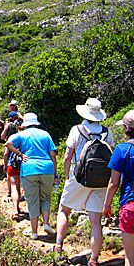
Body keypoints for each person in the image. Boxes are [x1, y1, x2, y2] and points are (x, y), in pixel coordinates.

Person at [54, 98, 114, 266]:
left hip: (78, 175)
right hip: (101, 179)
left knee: (64, 210)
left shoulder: (77, 130)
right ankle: (94, 259)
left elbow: (67, 156)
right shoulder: (106, 132)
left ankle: (58, 247)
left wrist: (67, 176)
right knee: (96, 220)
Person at [6, 113, 58, 239]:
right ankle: (46, 224)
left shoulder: (22, 134)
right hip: (47, 168)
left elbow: (8, 143)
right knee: (45, 197)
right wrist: (55, 173)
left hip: (29, 169)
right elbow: (53, 155)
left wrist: (20, 153)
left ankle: (34, 232)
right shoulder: (45, 134)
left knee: (32, 200)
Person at [103, 110, 134, 266]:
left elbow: (114, 183)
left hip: (130, 205)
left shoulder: (122, 149)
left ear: (127, 128)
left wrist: (107, 204)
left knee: (130, 256)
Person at [1, 117, 24, 220]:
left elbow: (6, 153)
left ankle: (16, 210)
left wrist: (5, 165)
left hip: (13, 164)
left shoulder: (12, 137)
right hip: (25, 164)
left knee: (15, 187)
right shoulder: (28, 138)